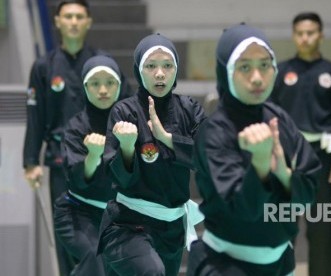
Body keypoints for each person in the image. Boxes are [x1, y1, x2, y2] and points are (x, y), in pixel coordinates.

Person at [187, 23, 321, 276]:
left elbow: (309, 193)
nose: (257, 77)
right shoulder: (214, 132)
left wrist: (283, 173)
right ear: (226, 72)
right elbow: (244, 210)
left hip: (281, 263)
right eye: (245, 67)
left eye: (264, 65)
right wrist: (259, 165)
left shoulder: (279, 120)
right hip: (226, 264)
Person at [22, 1, 132, 274]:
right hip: (62, 164)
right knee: (69, 244)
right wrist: (30, 161)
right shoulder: (43, 67)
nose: (73, 21)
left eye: (79, 17)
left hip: (104, 165)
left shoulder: (102, 67)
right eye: (67, 16)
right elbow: (34, 115)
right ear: (57, 22)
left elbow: (128, 107)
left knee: (100, 244)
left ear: (88, 22)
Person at [97, 33, 206, 276]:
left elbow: (210, 158)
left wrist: (166, 138)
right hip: (128, 226)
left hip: (172, 228)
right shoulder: (124, 111)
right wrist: (126, 147)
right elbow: (118, 180)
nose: (160, 73)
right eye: (151, 66)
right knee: (152, 271)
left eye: (167, 66)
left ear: (176, 70)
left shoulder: (189, 109)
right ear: (139, 71)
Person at [270, 12, 331, 276]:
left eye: (311, 32)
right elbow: (269, 115)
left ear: (321, 34)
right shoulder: (281, 72)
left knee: (323, 230)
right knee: (282, 226)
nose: (305, 38)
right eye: (300, 33)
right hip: (286, 159)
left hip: (322, 160)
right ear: (294, 35)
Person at [52, 55, 123, 276]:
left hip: (117, 216)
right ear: (85, 87)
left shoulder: (129, 124)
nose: (103, 90)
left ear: (119, 86)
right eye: (95, 83)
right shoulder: (75, 127)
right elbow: (78, 180)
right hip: (77, 213)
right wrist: (93, 156)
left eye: (110, 83)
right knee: (96, 256)